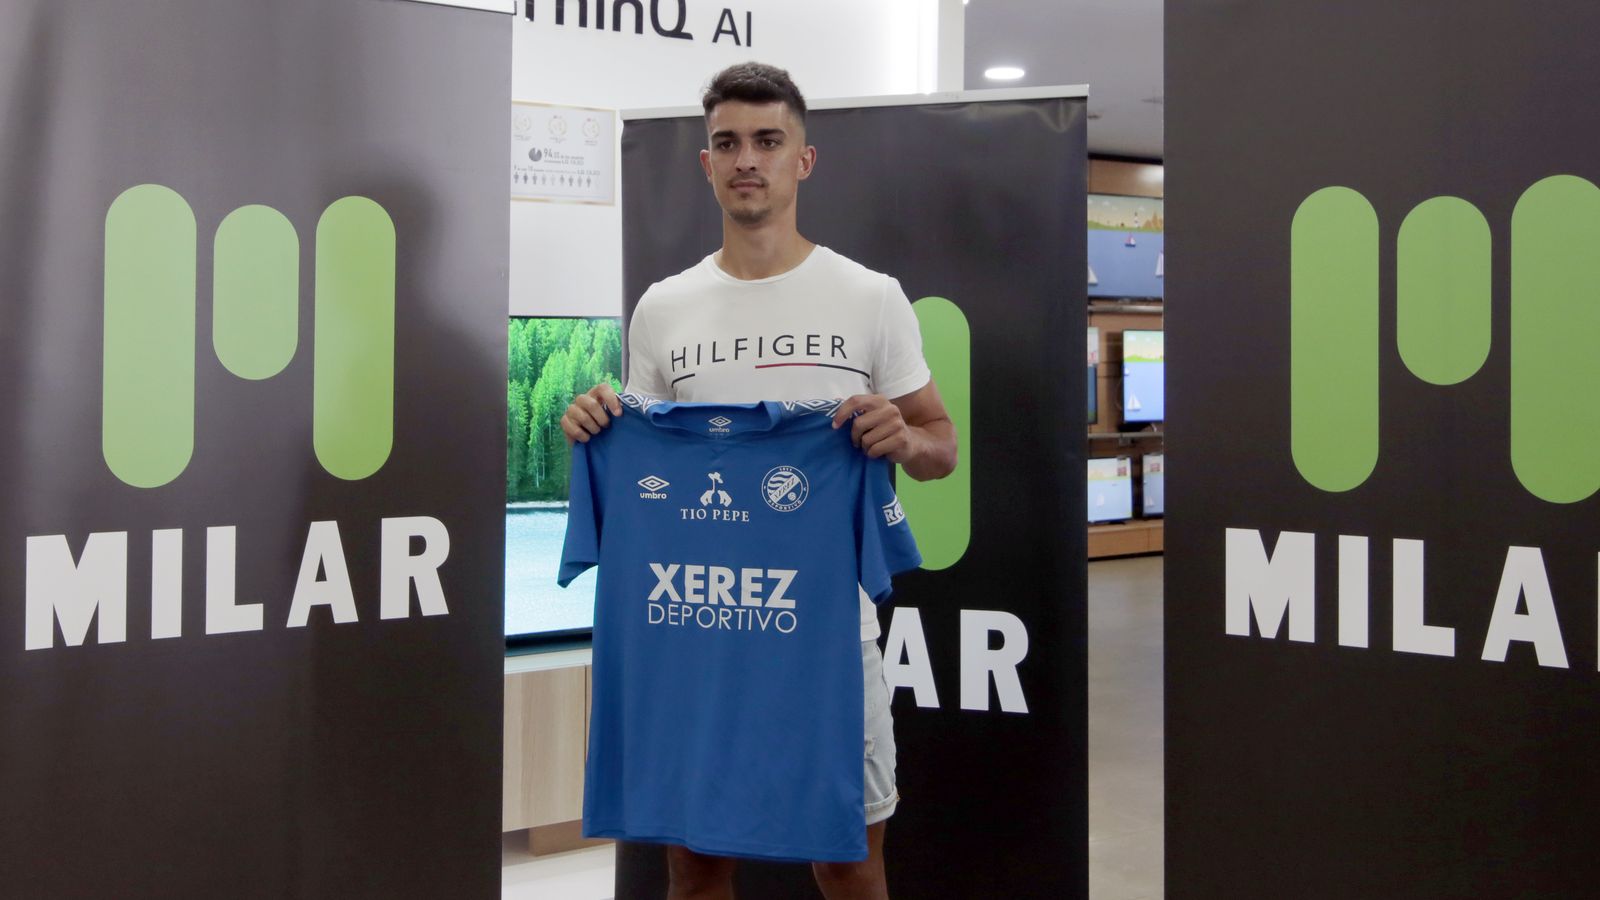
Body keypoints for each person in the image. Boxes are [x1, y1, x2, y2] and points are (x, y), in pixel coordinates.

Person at [560, 61, 958, 900]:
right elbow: (648, 454)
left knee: (848, 859)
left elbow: (942, 443)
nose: (748, 159)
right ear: (706, 164)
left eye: (768, 141)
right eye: (728, 143)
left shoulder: (872, 297)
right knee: (695, 864)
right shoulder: (664, 307)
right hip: (697, 635)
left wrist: (902, 440)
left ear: (802, 160)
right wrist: (598, 421)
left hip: (828, 637)